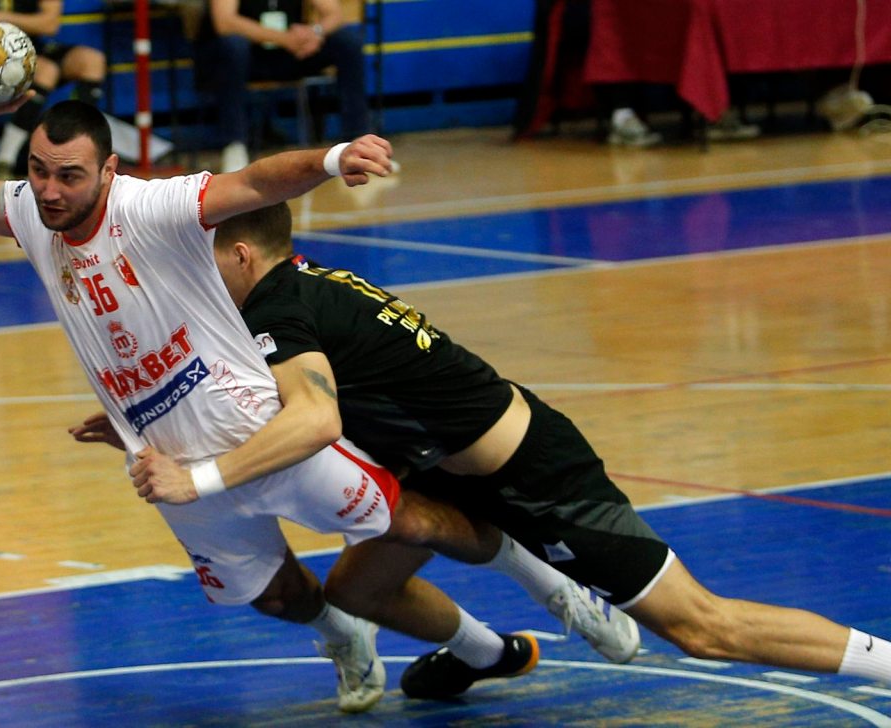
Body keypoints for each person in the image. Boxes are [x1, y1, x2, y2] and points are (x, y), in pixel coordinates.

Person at [0, 96, 597, 713]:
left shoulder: (147, 207)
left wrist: (332, 158)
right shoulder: (35, 215)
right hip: (170, 463)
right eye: (37, 171)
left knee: (410, 522)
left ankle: (551, 584)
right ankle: (366, 638)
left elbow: (256, 183)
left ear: (108, 171)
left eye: (68, 176)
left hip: (256, 427)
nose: (49, 189)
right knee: (275, 596)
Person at [106, 200, 891, 701]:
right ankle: (483, 653)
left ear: (243, 255)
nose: (189, 277)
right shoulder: (297, 287)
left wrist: (195, 478)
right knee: (356, 590)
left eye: (201, 259)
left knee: (701, 627)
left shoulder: (279, 308)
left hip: (535, 476)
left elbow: (312, 420)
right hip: (449, 472)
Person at [0, 0, 107, 178]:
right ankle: (4, 161)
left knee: (91, 61)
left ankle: (78, 149)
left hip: (27, 50)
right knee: (46, 71)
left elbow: (50, 24)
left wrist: (0, 18)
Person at [192, 0, 368, 172]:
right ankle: (234, 144)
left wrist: (314, 32)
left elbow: (334, 14)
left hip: (291, 53)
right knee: (232, 45)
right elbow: (225, 22)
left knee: (347, 41)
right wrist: (283, 38)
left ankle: (357, 142)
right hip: (249, 56)